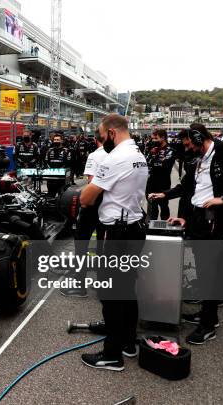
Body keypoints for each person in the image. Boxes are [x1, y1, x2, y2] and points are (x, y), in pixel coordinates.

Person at [150, 125, 223, 344]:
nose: (188, 149)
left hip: (214, 218)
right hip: (198, 217)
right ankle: (211, 308)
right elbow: (189, 187)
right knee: (216, 264)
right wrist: (167, 197)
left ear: (200, 138)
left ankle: (208, 325)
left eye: (190, 144)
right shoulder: (199, 159)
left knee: (207, 270)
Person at [79, 114, 148, 371]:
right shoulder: (139, 154)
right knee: (127, 289)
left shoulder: (115, 157)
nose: (100, 138)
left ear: (111, 132)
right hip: (133, 226)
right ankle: (128, 343)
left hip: (116, 233)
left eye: (101, 133)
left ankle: (111, 354)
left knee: (110, 293)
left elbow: (86, 197)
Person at [61, 129, 109, 298]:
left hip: (92, 205)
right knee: (103, 246)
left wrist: (85, 201)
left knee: (81, 243)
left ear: (96, 140)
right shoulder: (118, 154)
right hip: (110, 206)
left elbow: (91, 183)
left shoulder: (95, 155)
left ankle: (80, 284)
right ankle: (103, 284)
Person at [145, 129, 176, 220]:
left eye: (156, 138)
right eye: (152, 139)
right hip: (151, 183)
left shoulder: (170, 150)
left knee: (164, 208)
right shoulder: (152, 150)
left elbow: (163, 165)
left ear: (163, 138)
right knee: (152, 210)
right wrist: (150, 152)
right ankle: (151, 230)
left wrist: (154, 159)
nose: (153, 141)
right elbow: (146, 163)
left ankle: (165, 229)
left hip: (163, 183)